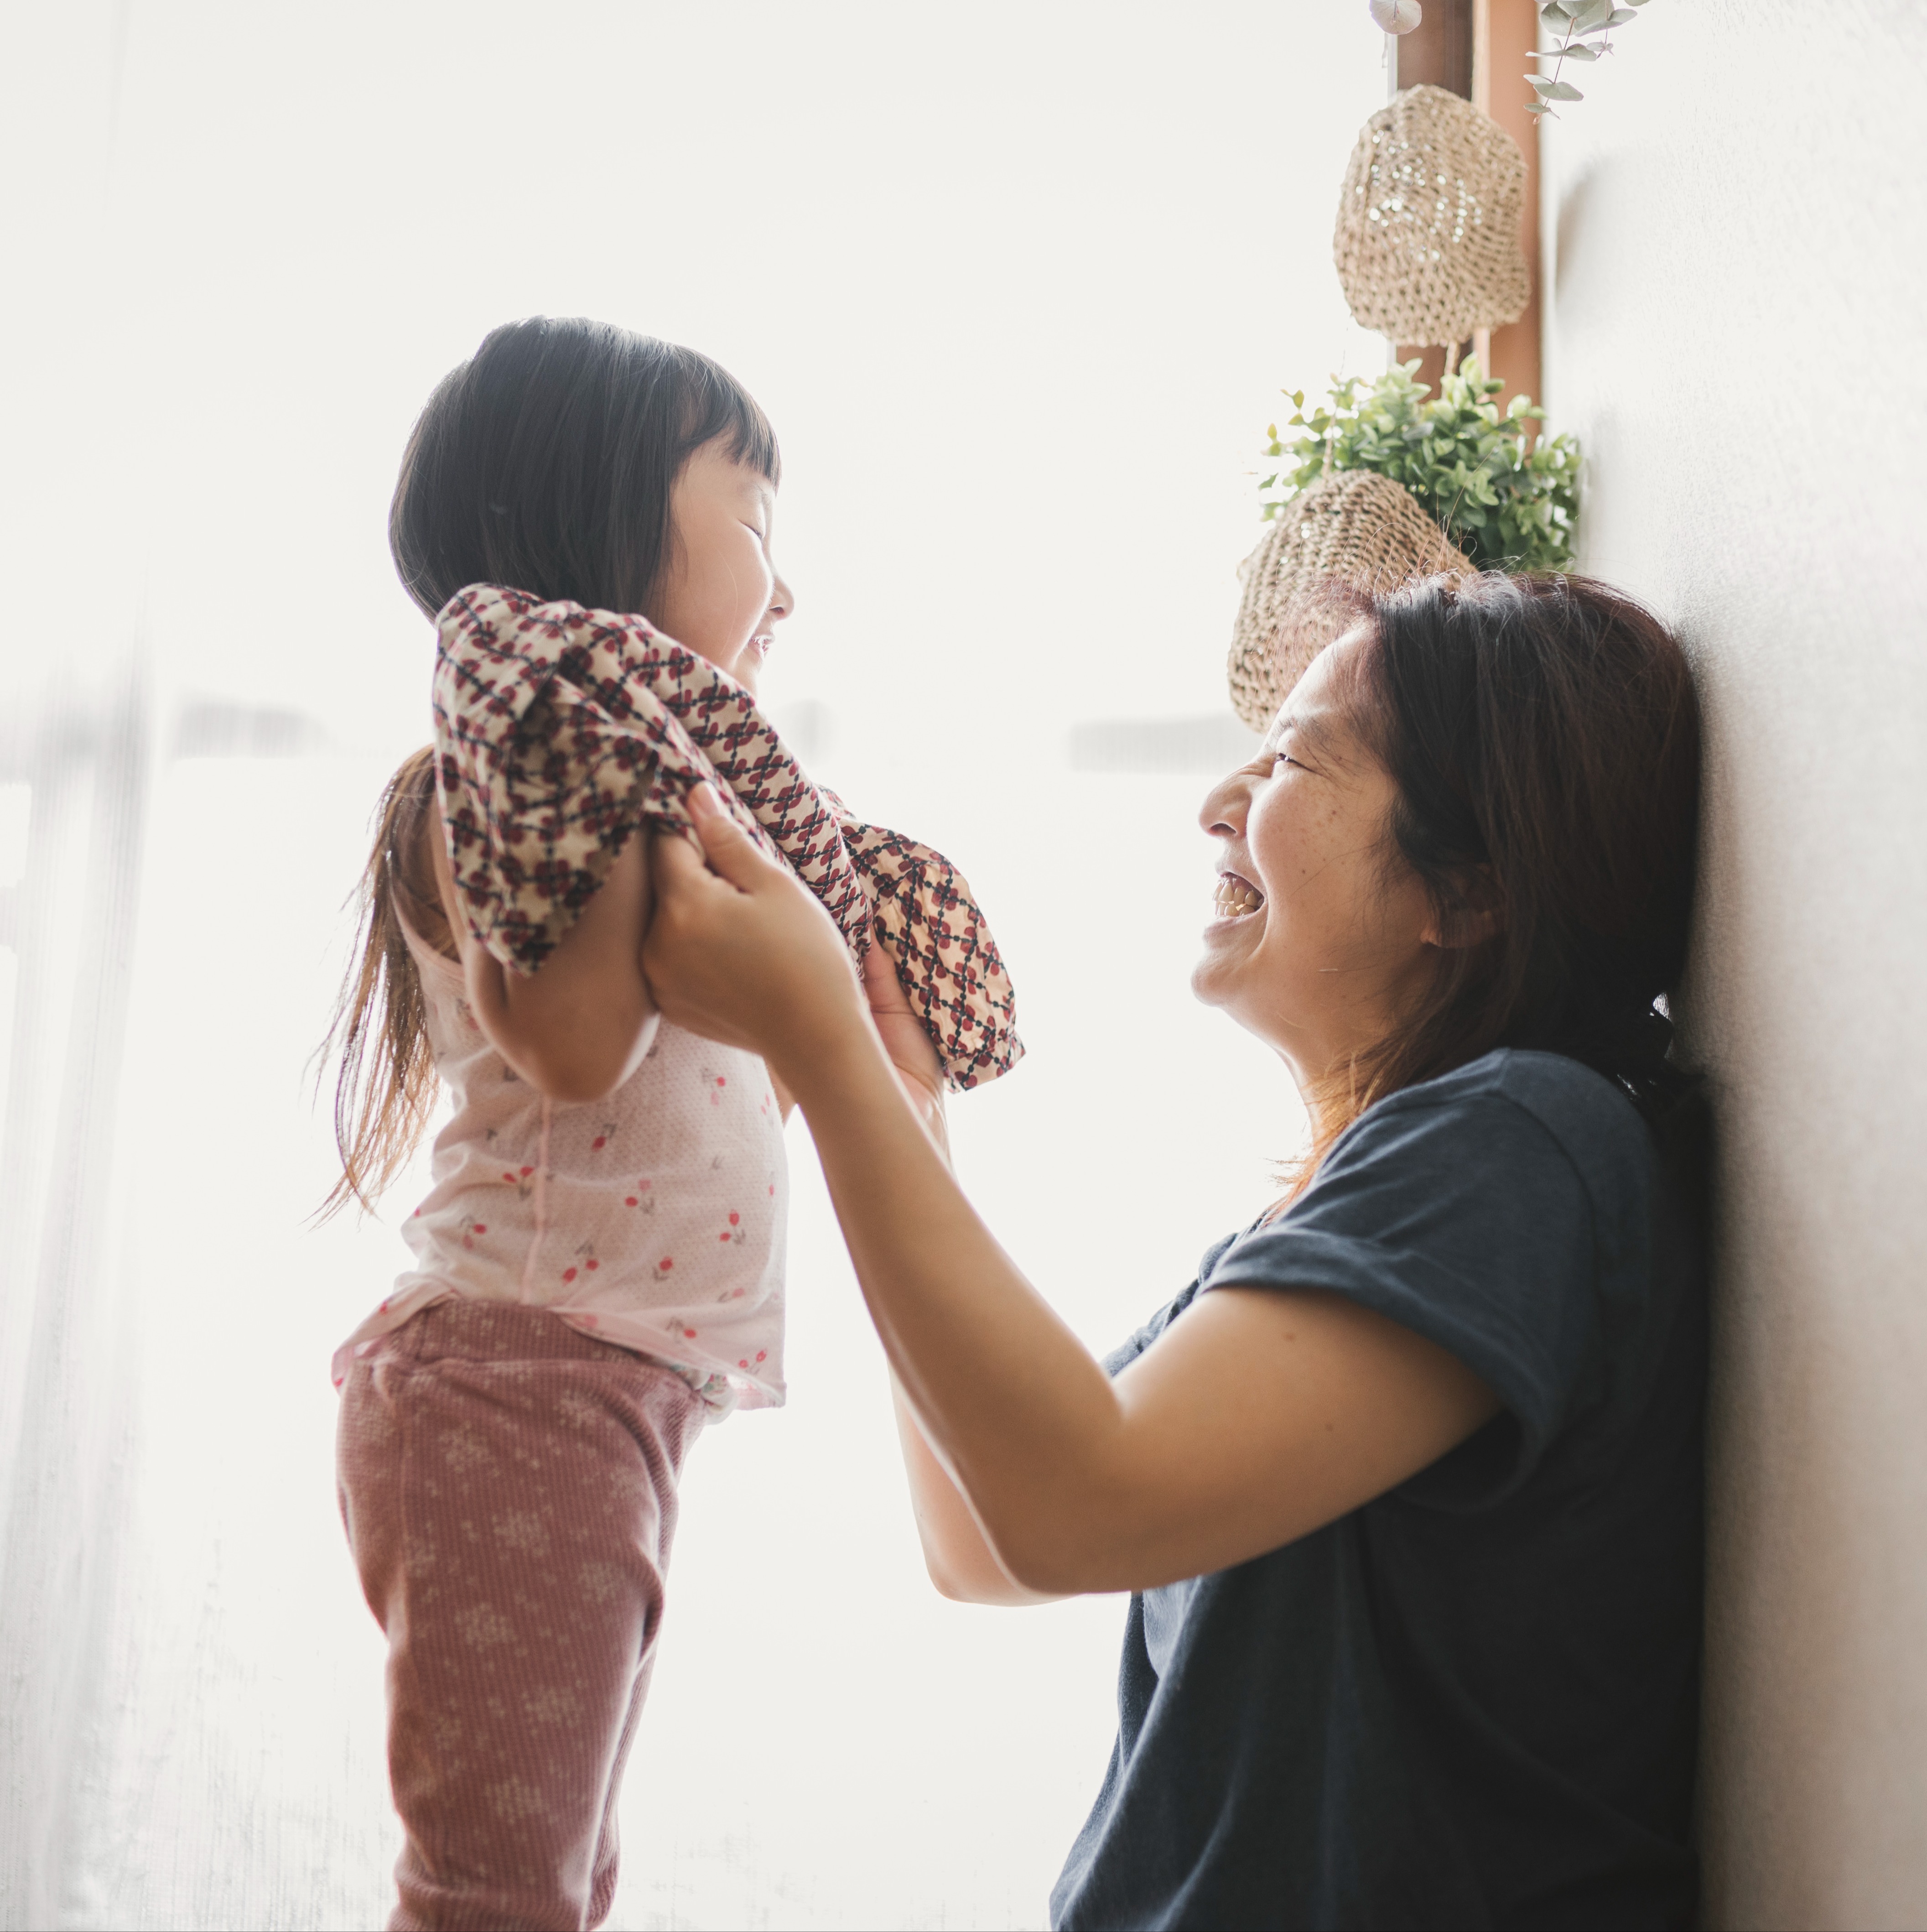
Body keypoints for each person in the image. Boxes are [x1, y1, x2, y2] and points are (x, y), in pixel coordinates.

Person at [641, 570, 1710, 1930]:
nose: (1218, 800)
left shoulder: (1518, 1141)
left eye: (1291, 760)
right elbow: (985, 1537)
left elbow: (1074, 1504)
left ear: (1472, 885)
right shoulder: (1354, 1202)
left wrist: (823, 1048)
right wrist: (897, 1088)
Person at [317, 316, 1018, 1932]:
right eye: (759, 521)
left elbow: (774, 1073)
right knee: (499, 1891)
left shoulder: (677, 796)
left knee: (557, 1874)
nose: (789, 585)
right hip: (517, 1377)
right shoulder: (498, 784)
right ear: (587, 514)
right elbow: (572, 1046)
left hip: (594, 1384)